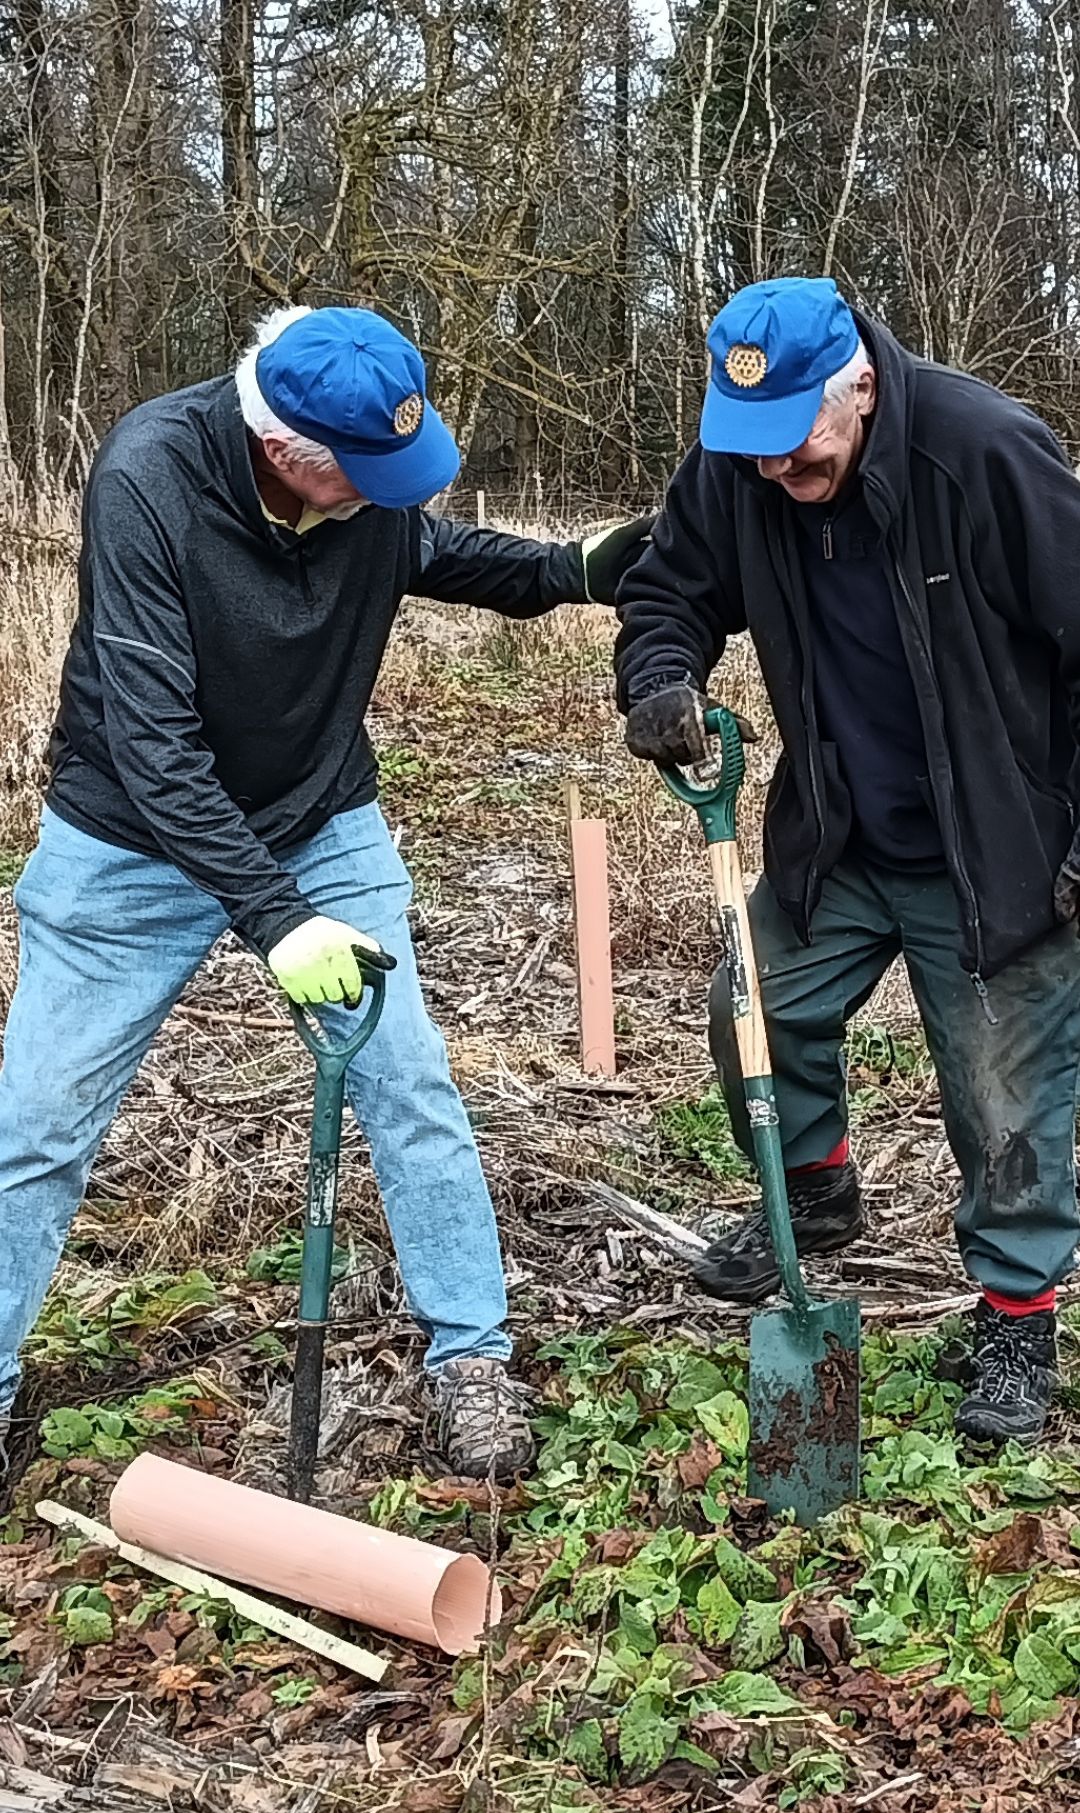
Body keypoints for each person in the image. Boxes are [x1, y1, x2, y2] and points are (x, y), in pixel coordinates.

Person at [0, 304, 649, 1484]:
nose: (388, 496)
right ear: (288, 455)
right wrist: (279, 917)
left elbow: (431, 552)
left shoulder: (364, 499)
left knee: (409, 1086)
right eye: (369, 476)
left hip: (318, 821)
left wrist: (570, 571)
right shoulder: (150, 480)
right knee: (35, 1130)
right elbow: (154, 747)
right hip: (128, 843)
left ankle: (472, 1356)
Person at [615, 275, 1080, 1447]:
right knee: (753, 1008)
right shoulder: (738, 464)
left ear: (860, 384)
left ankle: (1018, 1317)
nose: (778, 470)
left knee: (1004, 1098)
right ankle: (816, 1194)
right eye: (754, 448)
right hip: (839, 833)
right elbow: (665, 588)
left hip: (1000, 852)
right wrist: (661, 679)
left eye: (798, 443)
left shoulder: (983, 453)